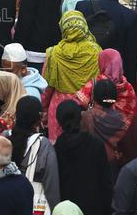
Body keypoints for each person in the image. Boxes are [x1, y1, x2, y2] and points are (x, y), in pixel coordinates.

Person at [41, 10, 101, 142]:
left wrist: (44, 111)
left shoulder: (54, 53)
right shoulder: (96, 51)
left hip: (59, 109)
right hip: (86, 109)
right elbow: (99, 80)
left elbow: (47, 88)